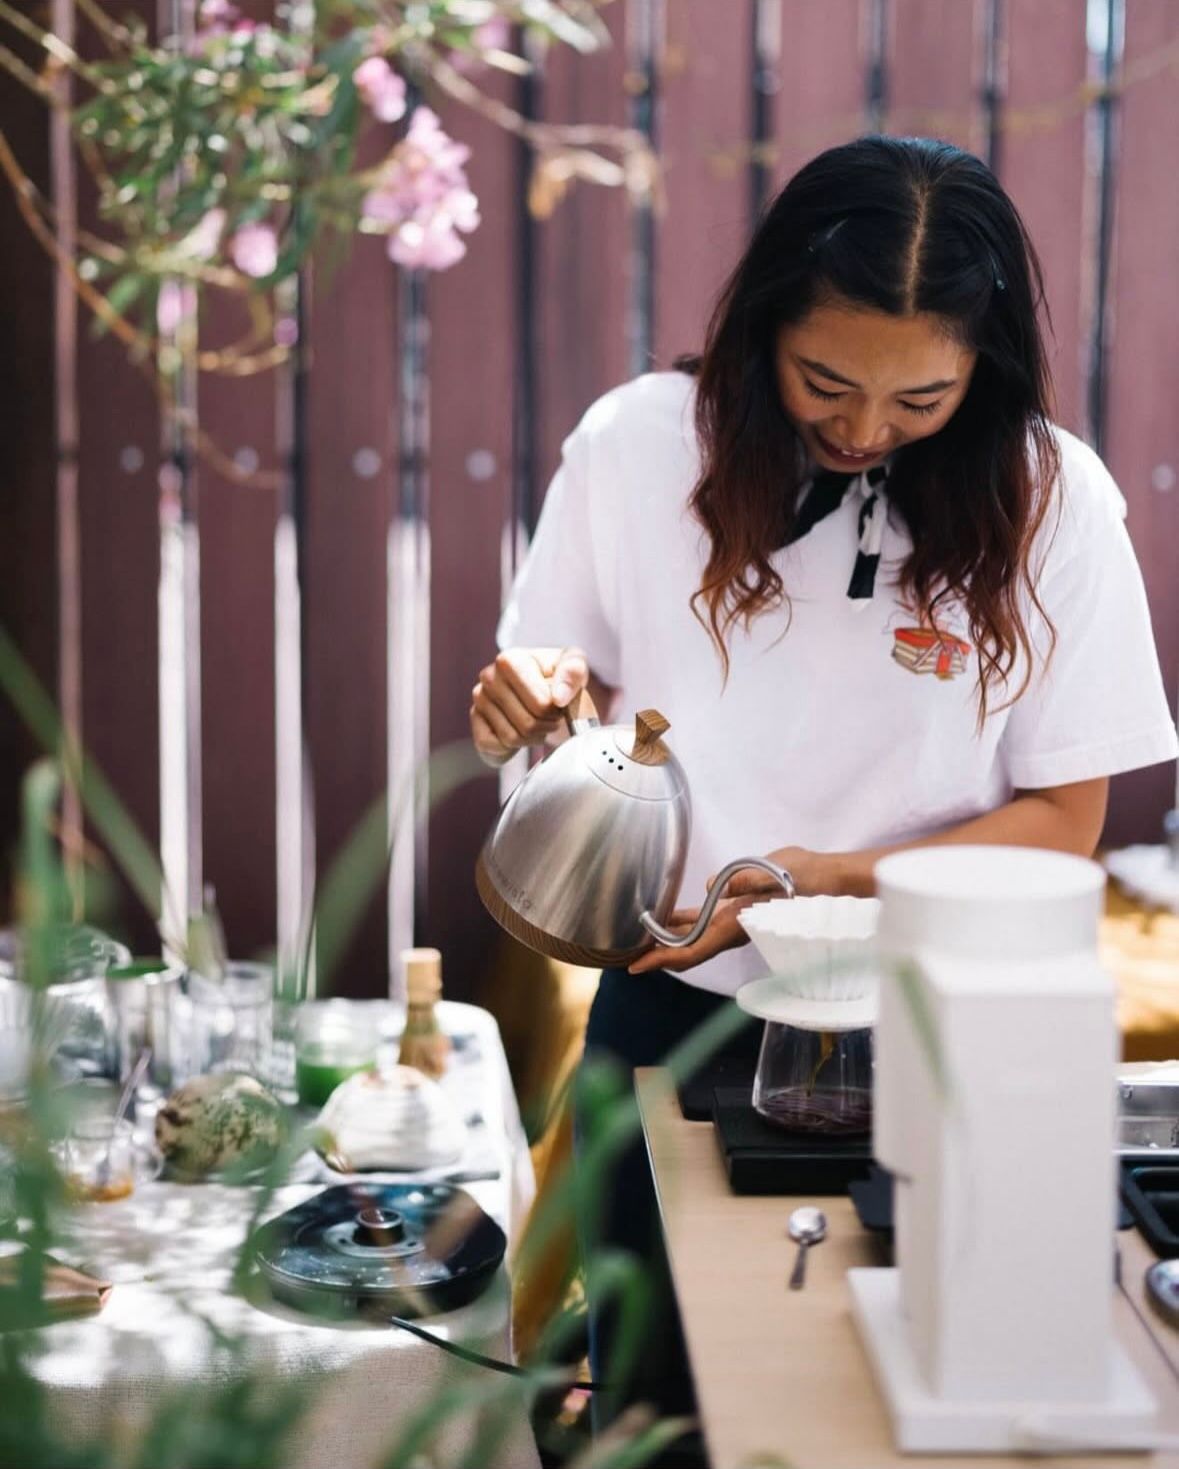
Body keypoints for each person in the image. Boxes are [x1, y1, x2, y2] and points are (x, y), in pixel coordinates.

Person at [469, 135, 1178, 1440]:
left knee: (894, 1416)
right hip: (672, 1016)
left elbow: (1066, 827)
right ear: (762, 330)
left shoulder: (1053, 501)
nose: (861, 431)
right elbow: (556, 716)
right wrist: (529, 701)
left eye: (921, 402)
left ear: (986, 367)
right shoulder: (635, 451)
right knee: (653, 1412)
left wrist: (816, 879)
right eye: (824, 382)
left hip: (935, 1035)